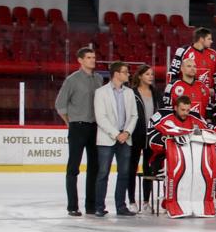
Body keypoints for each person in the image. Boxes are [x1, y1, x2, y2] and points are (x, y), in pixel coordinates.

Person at [150, 95, 216, 218]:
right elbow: (151, 139)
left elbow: (210, 133)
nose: (186, 113)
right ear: (175, 107)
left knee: (202, 169)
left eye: (187, 110)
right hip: (165, 157)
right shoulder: (163, 118)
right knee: (172, 167)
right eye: (182, 110)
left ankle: (199, 202)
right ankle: (170, 200)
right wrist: (168, 139)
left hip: (194, 157)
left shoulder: (196, 118)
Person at [55, 46, 101, 217]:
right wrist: (70, 122)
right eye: (89, 57)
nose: (92, 60)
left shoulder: (98, 79)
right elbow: (60, 104)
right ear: (80, 60)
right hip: (77, 126)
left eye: (94, 57)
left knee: (94, 167)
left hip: (94, 127)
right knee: (73, 167)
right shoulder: (72, 80)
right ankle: (72, 206)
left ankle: (91, 205)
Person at [93, 61, 138, 217]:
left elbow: (134, 115)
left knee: (124, 173)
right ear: (116, 74)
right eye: (125, 72)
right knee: (103, 173)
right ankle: (99, 206)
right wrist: (116, 134)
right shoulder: (101, 92)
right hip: (107, 138)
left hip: (125, 138)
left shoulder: (129, 93)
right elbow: (101, 117)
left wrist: (126, 132)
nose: (128, 74)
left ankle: (121, 206)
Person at [127, 64, 160, 212]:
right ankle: (132, 201)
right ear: (139, 76)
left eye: (152, 74)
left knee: (149, 169)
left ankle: (146, 201)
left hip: (151, 136)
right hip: (135, 135)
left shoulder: (156, 93)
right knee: (131, 168)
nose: (150, 76)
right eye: (147, 74)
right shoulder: (131, 93)